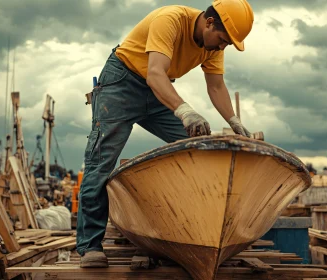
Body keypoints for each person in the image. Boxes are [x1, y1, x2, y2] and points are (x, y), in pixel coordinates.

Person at [76, 0, 255, 267]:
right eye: (222, 39)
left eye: (227, 43)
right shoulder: (170, 19)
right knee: (100, 162)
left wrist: (233, 120)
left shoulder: (213, 44)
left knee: (197, 150)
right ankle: (90, 246)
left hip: (158, 88)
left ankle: (191, 230)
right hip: (121, 83)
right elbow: (155, 73)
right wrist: (184, 110)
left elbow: (216, 87)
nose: (222, 46)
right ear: (208, 22)